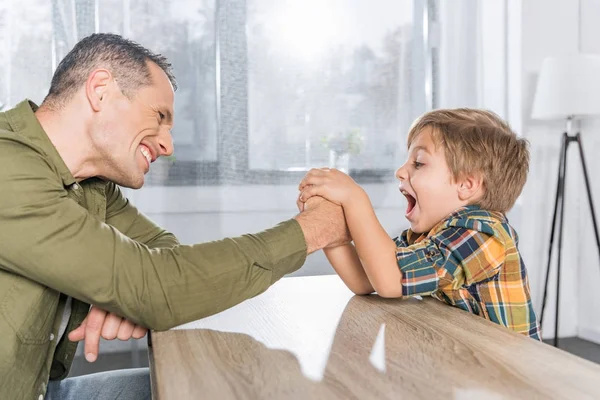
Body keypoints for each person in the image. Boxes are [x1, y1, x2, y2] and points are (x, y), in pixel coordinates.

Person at [0, 33, 349, 400]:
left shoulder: (91, 185)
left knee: (214, 384)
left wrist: (128, 293)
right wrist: (312, 230)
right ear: (100, 90)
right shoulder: (8, 168)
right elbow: (159, 283)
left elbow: (162, 255)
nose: (167, 145)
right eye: (160, 116)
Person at [298, 108, 541, 340]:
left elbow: (390, 281)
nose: (400, 171)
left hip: (508, 374)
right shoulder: (432, 233)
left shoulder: (482, 235)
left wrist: (355, 200)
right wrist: (330, 233)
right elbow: (367, 278)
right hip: (466, 359)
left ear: (466, 185)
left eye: (419, 163)